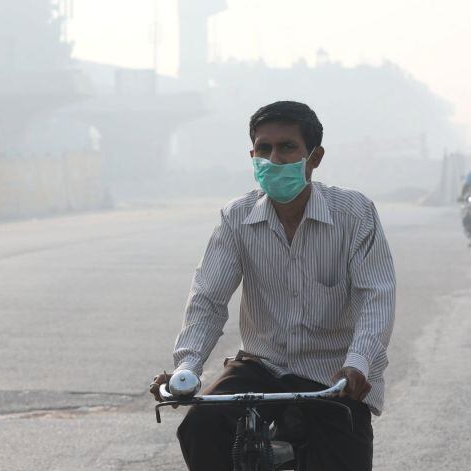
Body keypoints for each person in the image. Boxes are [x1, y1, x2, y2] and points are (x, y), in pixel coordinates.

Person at [149, 101, 396, 471]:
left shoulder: (355, 214)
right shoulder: (237, 218)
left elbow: (375, 299)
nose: (273, 158)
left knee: (344, 456)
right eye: (263, 149)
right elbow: (208, 299)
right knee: (199, 428)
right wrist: (187, 368)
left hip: (333, 375)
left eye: (287, 148)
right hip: (261, 367)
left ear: (314, 158)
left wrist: (357, 364)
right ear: (252, 155)